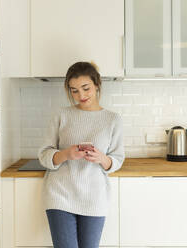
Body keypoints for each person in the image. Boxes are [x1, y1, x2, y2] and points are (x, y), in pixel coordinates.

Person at [37, 61, 125, 248]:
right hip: (60, 195)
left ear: (97, 85)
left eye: (85, 88)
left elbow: (117, 159)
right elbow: (44, 154)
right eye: (74, 90)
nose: (81, 95)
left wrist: (102, 159)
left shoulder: (113, 119)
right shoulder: (61, 115)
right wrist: (66, 154)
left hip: (94, 196)